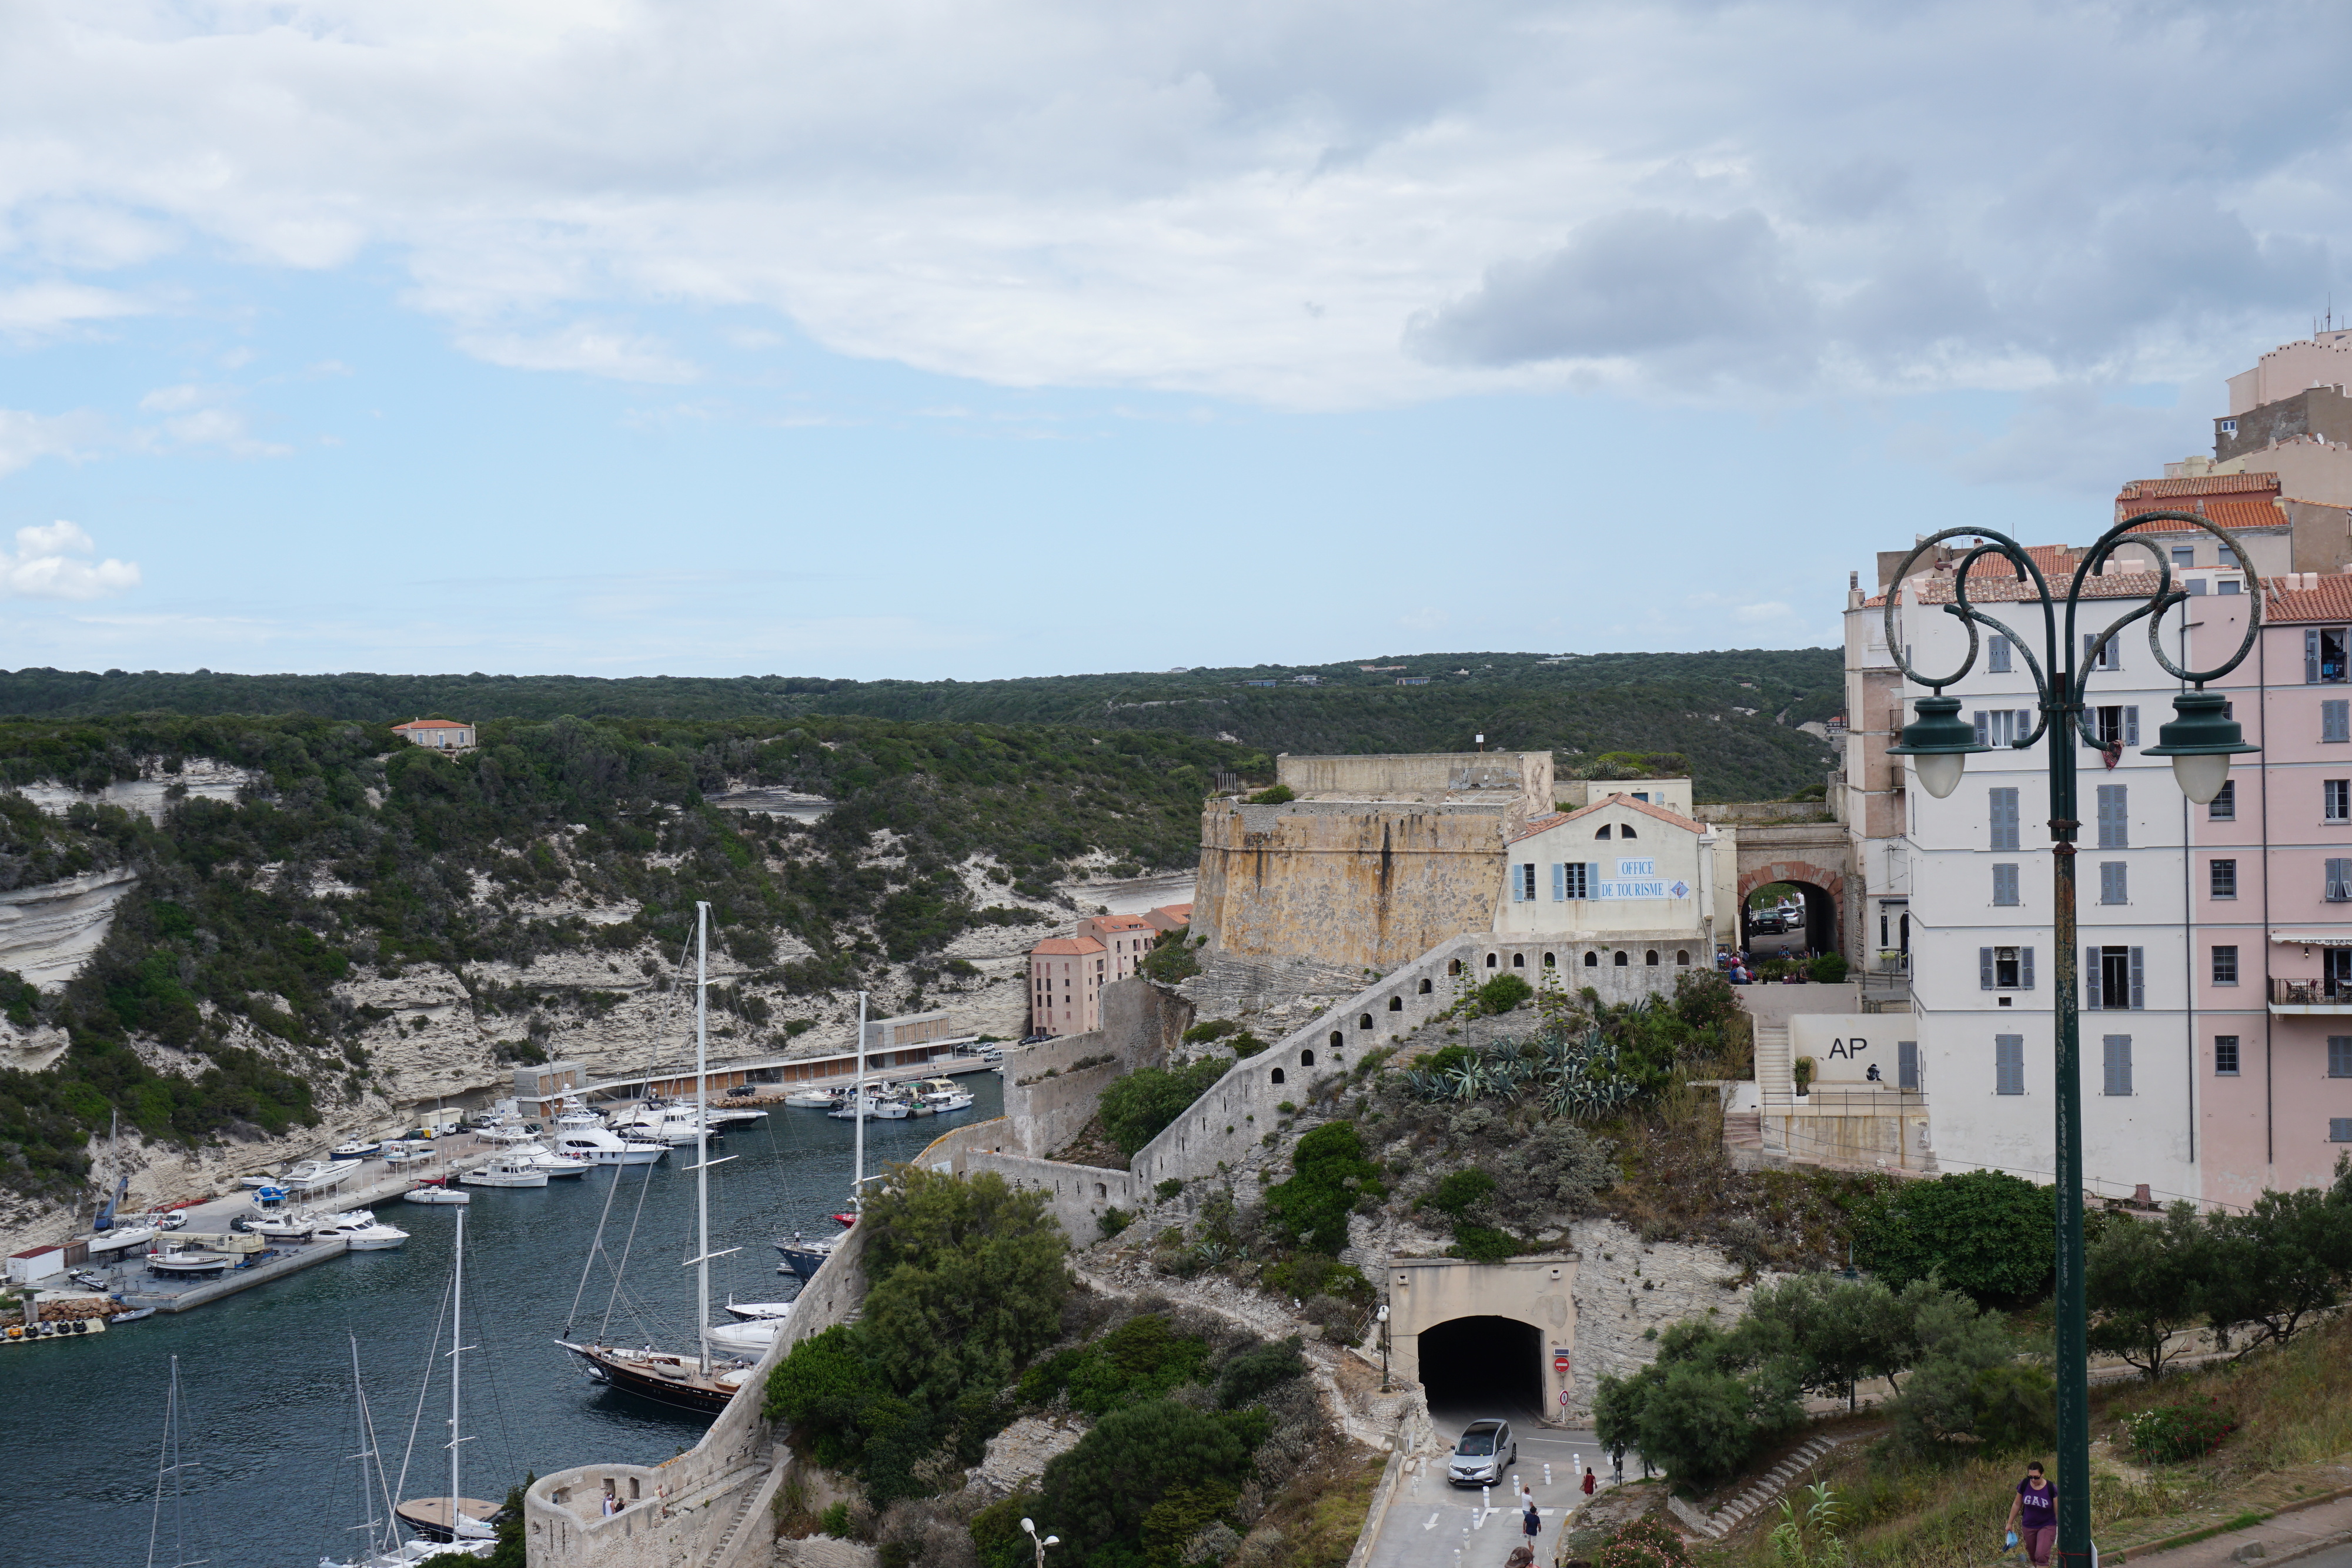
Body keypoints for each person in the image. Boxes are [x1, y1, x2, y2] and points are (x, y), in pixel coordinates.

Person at [2006, 1461, 2057, 1566]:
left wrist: (2060, 1526)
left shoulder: (2051, 1488)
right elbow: (2017, 1504)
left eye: (2036, 1477)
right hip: (2029, 1525)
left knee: (2041, 1555)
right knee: (2033, 1556)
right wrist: (2010, 1523)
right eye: (2030, 1477)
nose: (2033, 1480)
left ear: (2042, 1474)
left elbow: (2057, 1511)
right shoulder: (2024, 1485)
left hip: (2047, 1525)